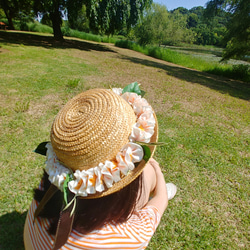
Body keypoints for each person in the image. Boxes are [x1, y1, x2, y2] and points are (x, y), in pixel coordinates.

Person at [23, 84, 177, 250]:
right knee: (149, 172)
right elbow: (159, 203)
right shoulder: (127, 239)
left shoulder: (50, 188)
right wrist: (157, 171)